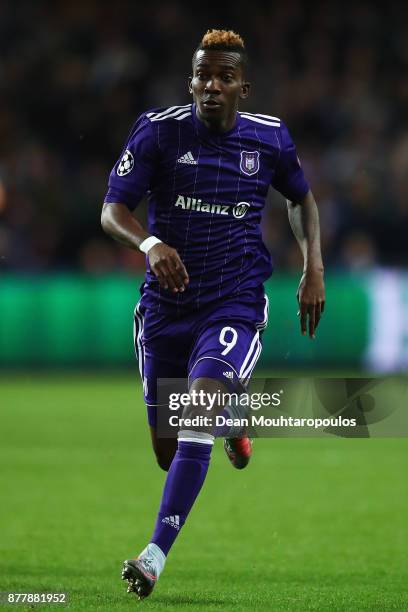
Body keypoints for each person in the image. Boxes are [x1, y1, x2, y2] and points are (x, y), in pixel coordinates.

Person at [101, 29, 325, 599]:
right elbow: (112, 211)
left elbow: (301, 198)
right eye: (203, 75)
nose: (211, 86)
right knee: (167, 451)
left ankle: (153, 555)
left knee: (198, 406)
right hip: (164, 308)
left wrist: (312, 267)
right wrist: (150, 246)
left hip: (234, 302)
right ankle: (234, 416)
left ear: (242, 88)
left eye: (224, 77)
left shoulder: (269, 141)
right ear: (191, 82)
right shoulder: (158, 132)